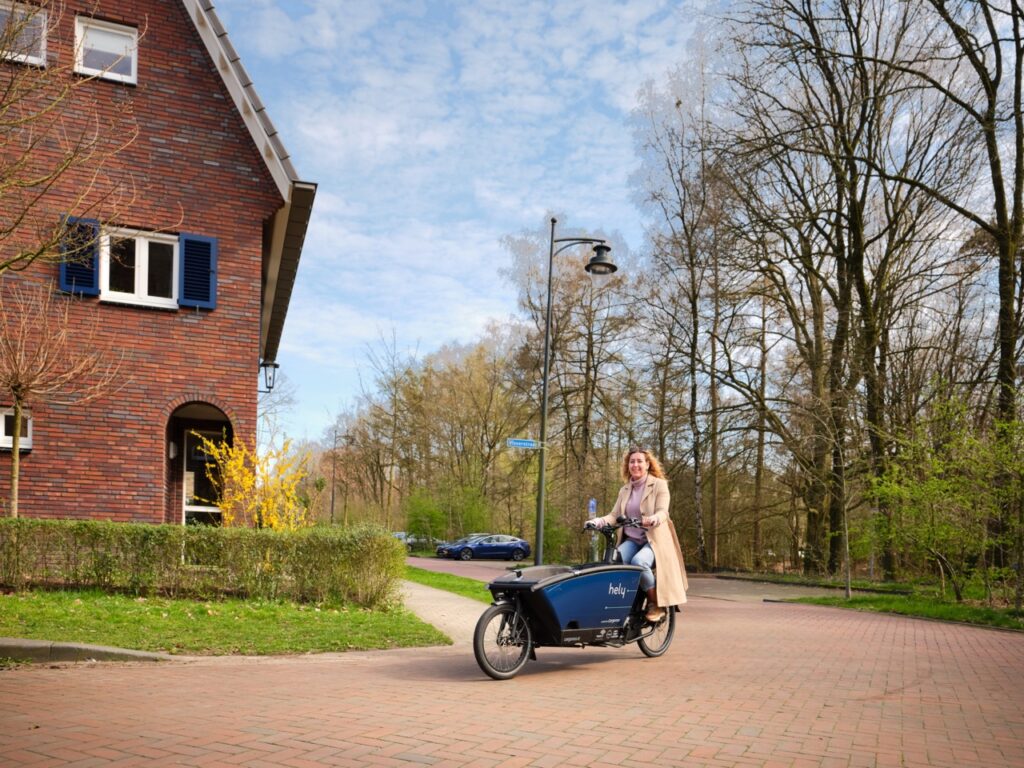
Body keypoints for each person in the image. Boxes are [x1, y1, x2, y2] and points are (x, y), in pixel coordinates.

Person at [586, 447, 687, 622]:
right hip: (632, 539)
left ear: (647, 464)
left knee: (639, 562)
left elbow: (663, 512)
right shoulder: (625, 490)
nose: (636, 465)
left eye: (640, 461)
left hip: (654, 540)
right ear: (628, 466)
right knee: (614, 560)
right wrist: (597, 522)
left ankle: (656, 603)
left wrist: (654, 518)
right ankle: (625, 603)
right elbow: (614, 516)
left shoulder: (659, 485)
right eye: (632, 461)